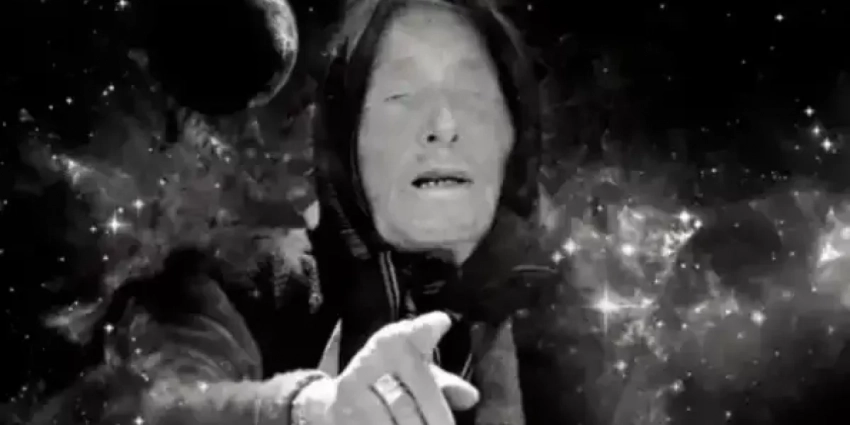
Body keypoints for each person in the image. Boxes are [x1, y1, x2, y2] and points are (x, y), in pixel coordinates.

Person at [31, 0, 598, 424]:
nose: (443, 125)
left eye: (473, 96)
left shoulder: (558, 344)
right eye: (401, 97)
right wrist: (311, 410)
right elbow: (150, 402)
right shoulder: (233, 281)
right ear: (345, 141)